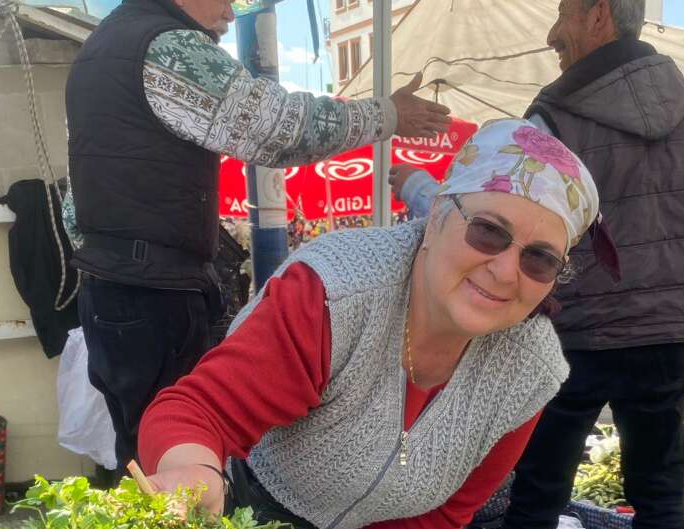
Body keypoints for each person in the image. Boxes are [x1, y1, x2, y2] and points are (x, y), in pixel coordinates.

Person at [137, 120, 602, 529]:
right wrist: (193, 471)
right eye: (489, 232)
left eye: (539, 260)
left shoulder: (530, 369)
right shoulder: (334, 294)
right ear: (436, 215)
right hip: (264, 508)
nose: (506, 271)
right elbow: (197, 410)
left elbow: (446, 514)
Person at [393, 0, 684, 529]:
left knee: (540, 487)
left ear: (599, 14)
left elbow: (500, 212)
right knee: (659, 491)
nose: (553, 35)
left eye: (566, 14)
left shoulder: (556, 116)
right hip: (670, 323)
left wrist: (417, 187)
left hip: (582, 325)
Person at [65, 0, 451, 472]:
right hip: (153, 292)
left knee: (143, 453)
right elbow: (278, 131)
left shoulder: (100, 48)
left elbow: (78, 195)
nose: (231, 12)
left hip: (112, 286)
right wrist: (386, 115)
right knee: (177, 460)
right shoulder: (166, 46)